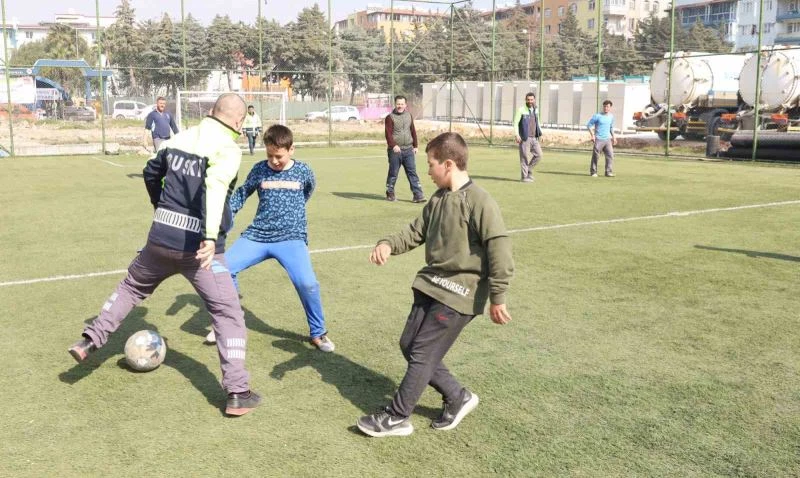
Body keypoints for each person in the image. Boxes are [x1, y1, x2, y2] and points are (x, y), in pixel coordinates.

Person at [68, 93, 261, 417]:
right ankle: (238, 393)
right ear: (239, 121)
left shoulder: (179, 137)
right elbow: (215, 189)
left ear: (212, 112)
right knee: (228, 314)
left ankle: (89, 341)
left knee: (131, 288)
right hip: (199, 249)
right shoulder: (227, 148)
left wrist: (160, 207)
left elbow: (149, 172)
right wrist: (210, 237)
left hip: (159, 239)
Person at [357, 132, 515, 438]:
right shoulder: (439, 199)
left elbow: (500, 248)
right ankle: (458, 397)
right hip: (431, 285)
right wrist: (388, 244)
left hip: (459, 292)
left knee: (423, 352)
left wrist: (498, 296)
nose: (427, 171)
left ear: (449, 163)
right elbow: (416, 231)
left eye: (430, 164)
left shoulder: (479, 201)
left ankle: (396, 417)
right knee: (410, 345)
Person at [205, 124, 335, 353]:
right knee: (223, 267)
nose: (274, 160)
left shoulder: (303, 171)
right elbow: (242, 194)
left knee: (308, 283)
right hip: (258, 235)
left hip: (291, 237)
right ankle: (230, 321)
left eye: (279, 156)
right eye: (269, 155)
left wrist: (292, 217)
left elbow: (308, 191)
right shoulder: (259, 170)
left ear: (291, 149)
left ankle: (318, 333)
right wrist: (222, 219)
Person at [384, 95, 426, 203]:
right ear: (395, 104)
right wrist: (394, 146)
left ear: (405, 105)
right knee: (393, 173)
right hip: (395, 151)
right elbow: (388, 134)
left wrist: (415, 146)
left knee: (412, 172)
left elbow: (413, 131)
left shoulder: (409, 116)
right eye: (398, 104)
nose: (400, 106)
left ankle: (418, 195)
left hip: (408, 150)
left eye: (402, 104)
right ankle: (390, 193)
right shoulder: (390, 117)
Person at [513, 92, 543, 183]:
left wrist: (540, 133)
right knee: (524, 157)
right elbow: (515, 123)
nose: (530, 101)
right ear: (526, 100)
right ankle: (524, 177)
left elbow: (538, 122)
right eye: (528, 99)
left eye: (531, 99)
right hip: (524, 138)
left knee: (539, 155)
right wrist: (517, 134)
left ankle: (529, 170)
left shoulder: (536, 110)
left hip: (534, 138)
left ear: (534, 100)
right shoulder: (521, 110)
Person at [587, 100, 617, 177]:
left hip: (608, 139)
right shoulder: (597, 116)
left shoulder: (611, 116)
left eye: (607, 107)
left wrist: (614, 137)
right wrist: (592, 135)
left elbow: (611, 127)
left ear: (610, 107)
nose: (606, 108)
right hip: (599, 139)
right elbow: (589, 125)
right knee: (596, 156)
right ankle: (593, 172)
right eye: (604, 106)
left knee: (610, 155)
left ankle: (608, 172)